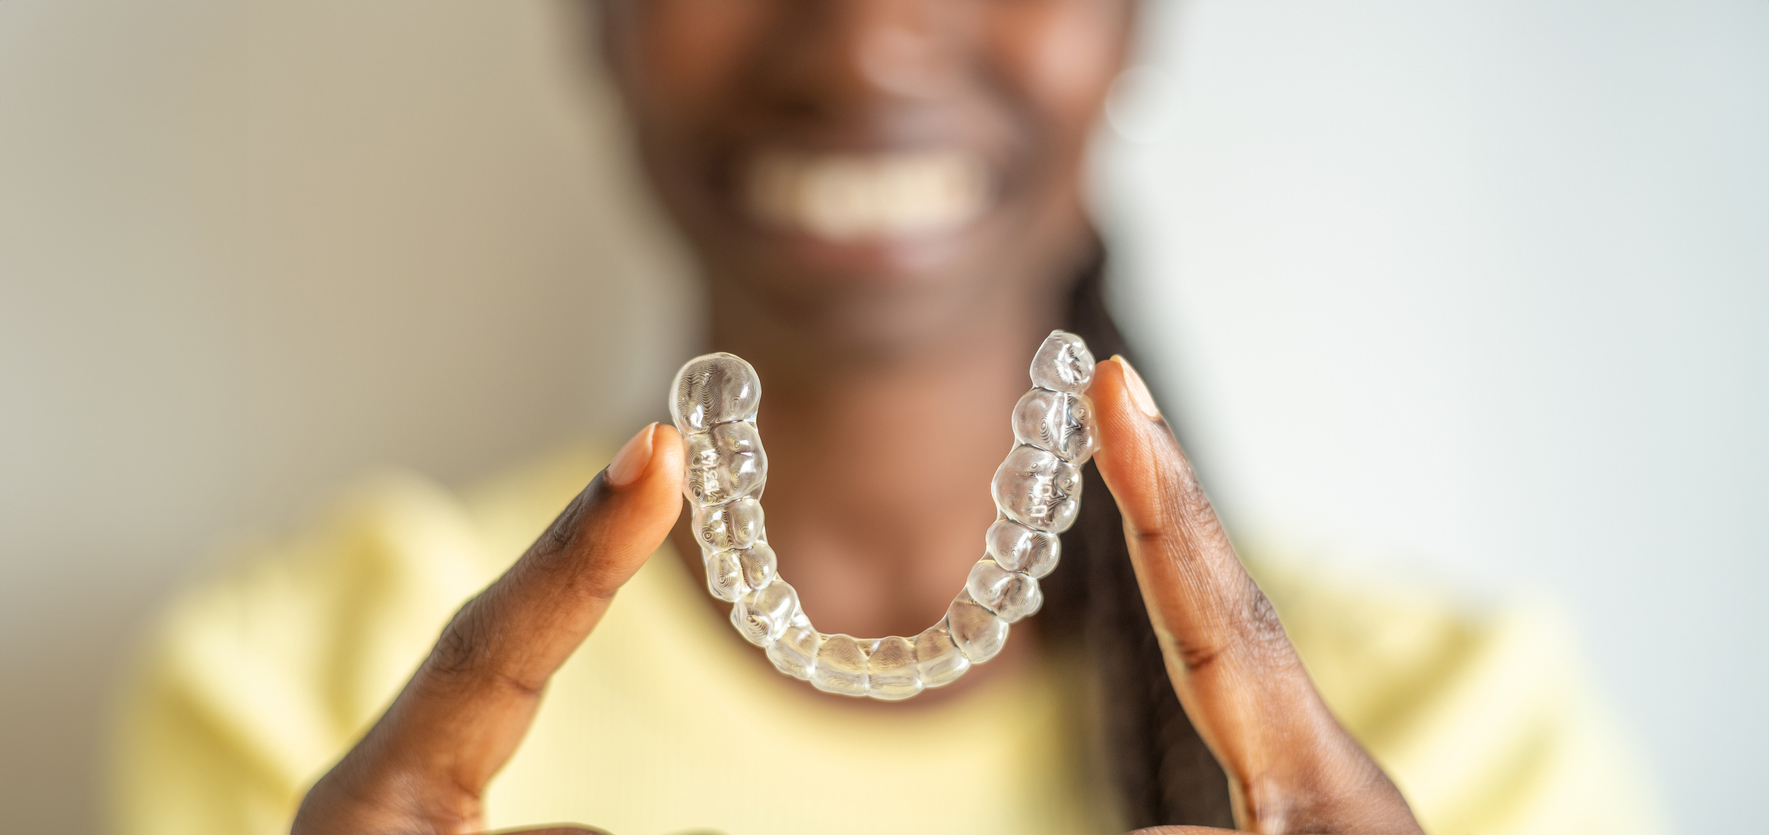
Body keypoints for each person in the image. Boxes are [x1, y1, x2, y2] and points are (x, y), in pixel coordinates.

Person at [110, 1, 1660, 833]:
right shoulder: (299, 688)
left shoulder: (1464, 742)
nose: (864, 35)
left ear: (1131, 27)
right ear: (599, 22)